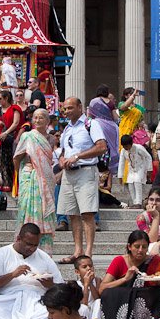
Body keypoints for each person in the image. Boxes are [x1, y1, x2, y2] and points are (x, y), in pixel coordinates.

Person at [56, 96, 108, 264]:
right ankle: (77, 251)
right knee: (72, 213)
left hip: (86, 171)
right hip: (69, 174)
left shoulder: (91, 124)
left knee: (87, 213)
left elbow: (101, 147)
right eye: (65, 109)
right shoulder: (67, 129)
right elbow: (64, 151)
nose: (67, 111)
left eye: (70, 108)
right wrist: (62, 160)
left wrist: (78, 157)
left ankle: (88, 253)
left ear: (80, 107)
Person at [13, 107, 57, 248]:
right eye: (35, 117)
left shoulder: (51, 138)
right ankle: (25, 243)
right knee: (27, 209)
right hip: (29, 176)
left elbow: (48, 160)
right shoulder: (27, 136)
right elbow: (17, 158)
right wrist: (25, 172)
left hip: (46, 177)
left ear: (48, 121)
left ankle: (45, 247)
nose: (37, 120)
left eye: (41, 117)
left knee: (45, 212)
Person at [87, 84, 120, 176]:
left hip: (98, 125)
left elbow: (89, 117)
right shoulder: (110, 102)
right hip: (111, 127)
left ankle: (100, 167)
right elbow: (115, 118)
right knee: (112, 148)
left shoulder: (93, 101)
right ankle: (110, 168)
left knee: (99, 145)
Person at [118, 133, 152, 209]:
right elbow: (121, 163)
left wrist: (149, 169)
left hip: (141, 167)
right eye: (124, 146)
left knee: (137, 181)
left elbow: (148, 157)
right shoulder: (123, 151)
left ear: (131, 143)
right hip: (131, 169)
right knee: (130, 183)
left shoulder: (139, 148)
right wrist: (120, 175)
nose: (125, 148)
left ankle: (139, 202)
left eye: (127, 146)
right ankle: (134, 202)